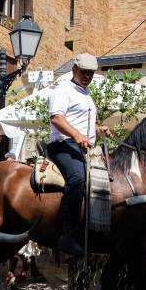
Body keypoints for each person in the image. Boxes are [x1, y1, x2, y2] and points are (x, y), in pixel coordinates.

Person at [47, 53, 110, 257]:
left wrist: (98, 130)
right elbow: (56, 118)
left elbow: (82, 122)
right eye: (84, 72)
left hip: (82, 147)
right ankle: (67, 235)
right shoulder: (64, 89)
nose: (87, 76)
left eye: (91, 73)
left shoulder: (86, 92)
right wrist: (76, 135)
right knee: (78, 178)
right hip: (62, 145)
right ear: (74, 69)